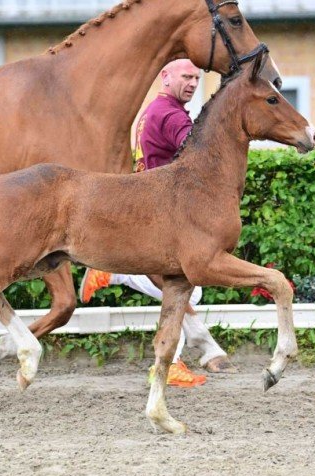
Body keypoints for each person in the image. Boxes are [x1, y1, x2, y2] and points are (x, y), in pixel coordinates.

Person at [79, 59, 236, 388]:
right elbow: (199, 154)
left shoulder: (156, 109)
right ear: (166, 77)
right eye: (186, 77)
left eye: (196, 77)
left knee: (190, 289)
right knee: (189, 289)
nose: (193, 83)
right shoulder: (172, 115)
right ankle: (174, 358)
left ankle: (116, 273)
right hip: (165, 213)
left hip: (152, 208)